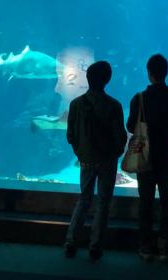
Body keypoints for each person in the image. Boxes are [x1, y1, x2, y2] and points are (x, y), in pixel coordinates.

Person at [127, 54, 168, 263]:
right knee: (167, 204)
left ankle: (145, 247)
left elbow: (130, 126)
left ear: (149, 73)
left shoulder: (139, 98)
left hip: (145, 159)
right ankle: (165, 247)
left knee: (145, 203)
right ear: (166, 73)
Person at [63, 61, 127, 260]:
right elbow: (121, 136)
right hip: (107, 160)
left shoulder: (75, 104)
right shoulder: (114, 105)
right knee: (103, 203)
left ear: (87, 78)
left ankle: (70, 242)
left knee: (84, 199)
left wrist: (80, 153)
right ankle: (95, 246)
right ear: (107, 80)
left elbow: (70, 135)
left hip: (86, 159)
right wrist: (115, 153)